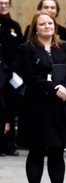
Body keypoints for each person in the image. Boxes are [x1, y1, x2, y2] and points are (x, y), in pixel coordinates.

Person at [17, 12, 66, 183]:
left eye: (50, 23)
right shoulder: (27, 49)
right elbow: (30, 76)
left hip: (60, 108)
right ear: (35, 28)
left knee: (57, 151)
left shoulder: (65, 47)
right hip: (37, 107)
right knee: (36, 151)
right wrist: (54, 88)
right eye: (42, 24)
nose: (47, 26)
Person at [0, 0, 23, 156]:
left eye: (6, 3)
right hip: (0, 72)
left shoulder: (15, 25)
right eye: (0, 3)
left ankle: (10, 144)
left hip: (12, 73)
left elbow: (19, 48)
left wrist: (12, 66)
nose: (3, 6)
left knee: (11, 107)